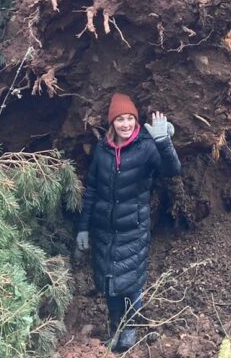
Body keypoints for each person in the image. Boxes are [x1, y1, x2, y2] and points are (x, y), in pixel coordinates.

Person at [76, 92, 181, 352]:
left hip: (133, 229)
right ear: (112, 123)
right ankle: (115, 329)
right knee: (109, 284)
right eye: (120, 119)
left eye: (129, 119)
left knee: (131, 284)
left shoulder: (146, 148)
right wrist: (83, 228)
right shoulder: (103, 150)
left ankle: (130, 328)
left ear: (136, 121)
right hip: (104, 230)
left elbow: (172, 170)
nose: (125, 124)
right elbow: (91, 190)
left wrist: (163, 142)